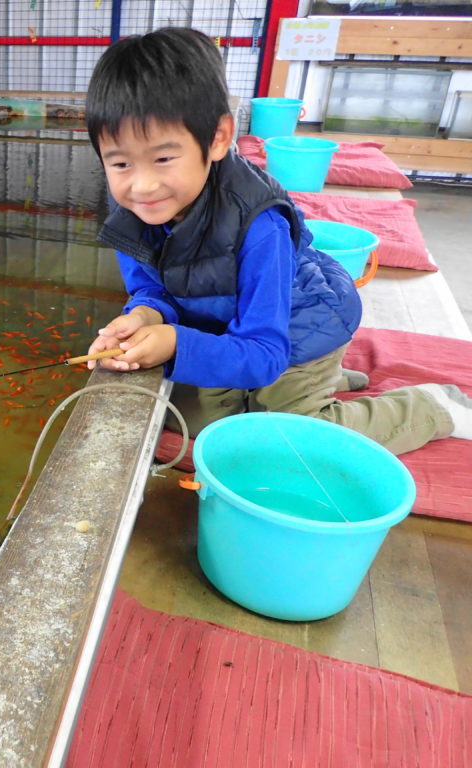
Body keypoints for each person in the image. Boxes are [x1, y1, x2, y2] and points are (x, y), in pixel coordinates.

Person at [83, 27, 471, 454]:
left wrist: (177, 342)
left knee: (281, 441)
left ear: (217, 138)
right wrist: (145, 314)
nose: (142, 185)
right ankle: (316, 383)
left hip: (302, 326)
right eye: (119, 163)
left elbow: (266, 352)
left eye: (162, 158)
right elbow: (150, 287)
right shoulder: (134, 211)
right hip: (233, 327)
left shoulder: (258, 225)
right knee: (193, 420)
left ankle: (429, 407)